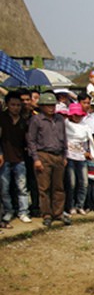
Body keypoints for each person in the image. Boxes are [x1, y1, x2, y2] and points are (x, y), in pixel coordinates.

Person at [26, 92, 68, 227]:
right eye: (48, 105)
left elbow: (64, 138)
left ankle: (58, 213)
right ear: (42, 106)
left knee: (59, 186)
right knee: (44, 187)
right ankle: (47, 214)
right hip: (43, 154)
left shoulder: (60, 119)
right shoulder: (36, 120)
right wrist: (36, 158)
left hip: (58, 155)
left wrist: (65, 155)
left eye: (53, 105)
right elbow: (31, 140)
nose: (51, 108)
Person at [0, 91, 32, 225]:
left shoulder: (24, 121)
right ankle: (9, 211)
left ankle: (23, 212)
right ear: (7, 105)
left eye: (18, 105)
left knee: (22, 188)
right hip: (4, 158)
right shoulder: (2, 118)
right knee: (4, 188)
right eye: (13, 105)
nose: (16, 107)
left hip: (19, 159)